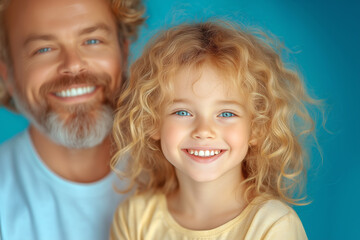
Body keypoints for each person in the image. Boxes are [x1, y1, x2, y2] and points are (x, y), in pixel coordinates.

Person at [110, 20, 319, 239]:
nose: (204, 130)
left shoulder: (272, 225)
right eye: (182, 112)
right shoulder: (135, 218)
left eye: (226, 114)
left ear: (256, 127)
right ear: (151, 122)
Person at [0, 0, 144, 239]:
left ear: (124, 51)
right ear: (8, 74)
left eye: (92, 41)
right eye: (43, 49)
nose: (73, 65)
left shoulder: (184, 169)